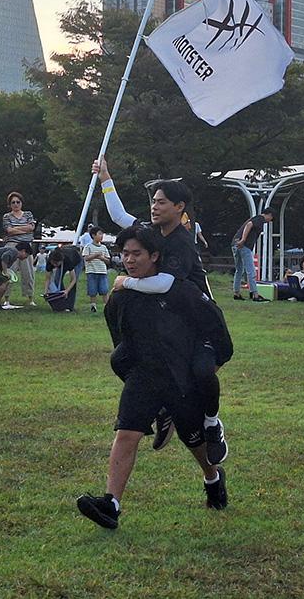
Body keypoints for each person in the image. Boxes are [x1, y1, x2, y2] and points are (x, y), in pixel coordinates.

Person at [75, 225, 234, 529]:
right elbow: (119, 341)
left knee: (194, 441)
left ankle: (212, 477)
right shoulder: (120, 298)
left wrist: (210, 366)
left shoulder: (181, 290)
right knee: (126, 433)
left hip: (181, 378)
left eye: (137, 253)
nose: (130, 260)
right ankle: (111, 504)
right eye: (125, 254)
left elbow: (214, 325)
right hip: (144, 377)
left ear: (155, 255)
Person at [1, 192, 38, 306]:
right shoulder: (7, 216)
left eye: (18, 202)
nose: (16, 204)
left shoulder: (28, 214)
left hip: (26, 246)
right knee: (9, 272)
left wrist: (16, 229)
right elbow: (9, 230)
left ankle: (30, 297)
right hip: (12, 246)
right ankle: (6, 298)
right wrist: (24, 229)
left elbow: (31, 228)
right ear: (9, 204)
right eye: (13, 202)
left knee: (29, 273)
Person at [230, 209, 273, 302]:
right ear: (269, 215)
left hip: (235, 244)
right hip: (244, 246)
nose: (269, 221)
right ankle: (255, 294)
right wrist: (243, 239)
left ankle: (236, 293)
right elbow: (249, 224)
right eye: (271, 218)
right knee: (251, 271)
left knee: (239, 270)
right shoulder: (260, 219)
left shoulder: (256, 218)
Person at [81, 226, 111, 313]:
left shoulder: (104, 247)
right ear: (93, 235)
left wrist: (102, 258)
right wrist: (95, 255)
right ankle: (93, 306)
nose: (101, 236)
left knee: (104, 289)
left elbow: (108, 261)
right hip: (92, 271)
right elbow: (86, 258)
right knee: (92, 289)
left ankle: (107, 306)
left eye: (102, 234)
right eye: (100, 234)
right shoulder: (88, 246)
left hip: (102, 271)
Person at [45, 244, 83, 311]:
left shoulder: (67, 260)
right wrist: (46, 291)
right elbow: (48, 278)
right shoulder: (50, 261)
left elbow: (73, 279)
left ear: (61, 261)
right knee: (57, 280)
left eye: (56, 264)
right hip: (63, 261)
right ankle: (60, 301)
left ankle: (70, 306)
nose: (54, 265)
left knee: (73, 285)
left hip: (77, 261)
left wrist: (67, 291)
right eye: (53, 263)